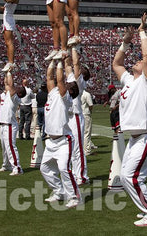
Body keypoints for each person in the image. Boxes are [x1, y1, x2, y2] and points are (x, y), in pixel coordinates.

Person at [112, 12, 147, 227]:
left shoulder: (146, 81)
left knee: (131, 178)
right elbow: (116, 64)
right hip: (136, 137)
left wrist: (142, 31)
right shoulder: (128, 80)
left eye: (141, 62)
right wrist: (125, 43)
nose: (138, 62)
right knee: (128, 177)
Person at [40, 59, 82, 208]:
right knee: (44, 168)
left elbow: (58, 79)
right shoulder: (53, 94)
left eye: (69, 85)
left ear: (71, 91)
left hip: (64, 141)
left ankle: (75, 197)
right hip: (51, 141)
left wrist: (59, 62)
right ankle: (59, 192)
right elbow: (49, 77)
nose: (67, 84)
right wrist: (52, 62)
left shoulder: (66, 98)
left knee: (64, 168)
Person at [65, 43, 90, 186]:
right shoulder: (71, 78)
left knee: (78, 148)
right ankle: (75, 173)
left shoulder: (79, 81)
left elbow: (75, 63)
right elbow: (69, 65)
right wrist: (65, 53)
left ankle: (82, 176)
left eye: (79, 70)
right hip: (69, 117)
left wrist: (73, 47)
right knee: (71, 147)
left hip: (75, 116)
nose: (76, 69)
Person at [0, 70, 23, 176]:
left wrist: (9, 73)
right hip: (3, 124)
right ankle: (6, 165)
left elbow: (10, 85)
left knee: (11, 146)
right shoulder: (7, 94)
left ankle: (17, 168)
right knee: (4, 147)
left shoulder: (15, 98)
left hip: (10, 125)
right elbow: (7, 83)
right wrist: (7, 71)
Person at [81, 90, 96, 156]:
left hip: (79, 114)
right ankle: (87, 150)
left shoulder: (78, 93)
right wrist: (90, 111)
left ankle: (82, 149)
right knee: (87, 133)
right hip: (86, 114)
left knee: (81, 133)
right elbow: (91, 105)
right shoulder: (86, 94)